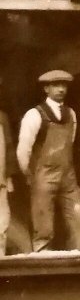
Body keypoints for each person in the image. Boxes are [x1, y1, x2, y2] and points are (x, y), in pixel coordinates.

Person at [17, 70, 80, 251]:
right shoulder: (34, 114)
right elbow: (23, 149)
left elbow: (70, 141)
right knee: (43, 225)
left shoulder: (71, 114)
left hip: (68, 175)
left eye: (63, 85)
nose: (61, 89)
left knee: (79, 223)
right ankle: (42, 259)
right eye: (56, 85)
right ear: (46, 89)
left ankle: (79, 259)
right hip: (43, 175)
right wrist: (30, 174)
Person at [0, 107, 15, 255]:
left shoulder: (2, 118)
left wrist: (9, 177)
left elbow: (9, 147)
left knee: (2, 222)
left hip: (1, 182)